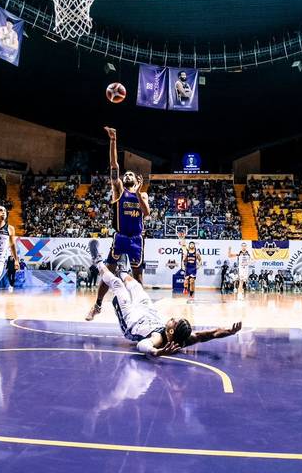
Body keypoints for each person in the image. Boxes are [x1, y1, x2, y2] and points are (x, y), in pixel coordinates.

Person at [88, 239, 241, 355]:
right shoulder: (184, 337)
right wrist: (229, 332)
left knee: (117, 285)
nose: (173, 318)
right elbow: (209, 334)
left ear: (171, 331)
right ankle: (122, 270)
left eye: (174, 321)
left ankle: (98, 262)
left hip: (132, 320)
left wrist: (156, 352)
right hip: (148, 312)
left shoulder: (158, 339)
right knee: (136, 286)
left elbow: (142, 346)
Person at [86, 126, 150, 321]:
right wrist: (113, 140)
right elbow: (114, 165)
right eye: (126, 174)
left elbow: (146, 213)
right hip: (121, 237)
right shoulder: (119, 191)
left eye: (131, 174)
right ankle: (97, 305)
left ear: (137, 180)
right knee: (109, 273)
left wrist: (139, 194)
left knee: (138, 278)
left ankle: (141, 312)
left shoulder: (143, 194)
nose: (127, 175)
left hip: (137, 238)